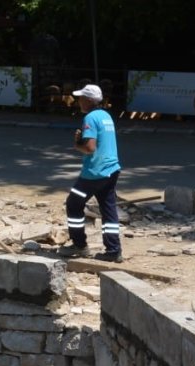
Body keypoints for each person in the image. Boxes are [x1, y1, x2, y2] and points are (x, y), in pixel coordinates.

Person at [58, 83, 122, 262]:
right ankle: (113, 250)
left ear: (87, 100)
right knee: (108, 209)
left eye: (80, 98)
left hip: (94, 173)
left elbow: (90, 147)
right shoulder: (105, 115)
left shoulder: (91, 118)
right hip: (111, 170)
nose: (78, 101)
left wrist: (77, 143)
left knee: (73, 203)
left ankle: (79, 245)